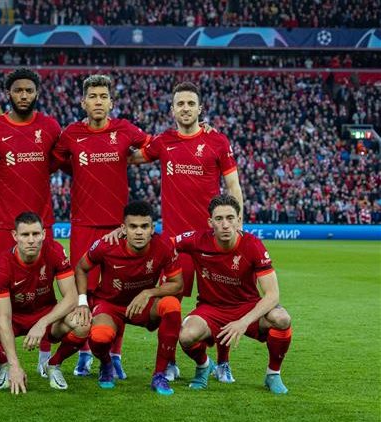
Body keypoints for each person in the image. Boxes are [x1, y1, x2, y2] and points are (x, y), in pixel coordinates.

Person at [130, 81, 244, 383]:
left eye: (191, 103)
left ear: (200, 108)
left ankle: (223, 363)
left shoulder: (217, 141)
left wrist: (238, 225)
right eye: (180, 103)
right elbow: (132, 156)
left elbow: (233, 185)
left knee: (219, 303)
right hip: (174, 243)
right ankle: (168, 362)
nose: (185, 108)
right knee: (170, 305)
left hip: (212, 240)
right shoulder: (164, 141)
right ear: (172, 109)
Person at [51, 74, 150, 378]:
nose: (98, 101)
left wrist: (129, 159)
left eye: (103, 96)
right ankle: (84, 352)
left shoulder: (124, 130)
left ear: (111, 102)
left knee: (116, 293)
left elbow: (152, 145)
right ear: (84, 102)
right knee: (86, 291)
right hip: (83, 223)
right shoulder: (71, 133)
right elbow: (57, 160)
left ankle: (114, 355)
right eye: (92, 96)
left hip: (118, 226)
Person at [0, 67, 62, 376]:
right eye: (18, 90)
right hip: (3, 225)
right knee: (1, 290)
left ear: (37, 93)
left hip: (42, 224)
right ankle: (1, 360)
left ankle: (44, 356)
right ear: (8, 94)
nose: (23, 95)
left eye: (28, 90)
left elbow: (60, 161)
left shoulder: (50, 127)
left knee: (46, 288)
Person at [174, 194, 292, 394]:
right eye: (219, 219)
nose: (225, 225)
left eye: (230, 218)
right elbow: (163, 245)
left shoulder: (253, 245)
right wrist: (122, 235)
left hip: (246, 306)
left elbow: (272, 295)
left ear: (239, 220)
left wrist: (243, 322)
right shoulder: (197, 240)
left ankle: (273, 374)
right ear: (210, 222)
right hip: (211, 309)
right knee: (186, 336)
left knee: (282, 318)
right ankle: (204, 366)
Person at [0, 212, 89, 393]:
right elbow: (3, 317)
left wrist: (42, 323)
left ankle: (53, 365)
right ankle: (3, 365)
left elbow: (71, 298)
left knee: (83, 323)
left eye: (36, 234)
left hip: (45, 313)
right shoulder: (1, 265)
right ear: (15, 236)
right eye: (25, 235)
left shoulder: (54, 251)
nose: (31, 240)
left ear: (44, 234)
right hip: (13, 317)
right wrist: (14, 365)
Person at [75, 200, 183, 393]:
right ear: (123, 228)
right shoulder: (107, 245)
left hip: (143, 305)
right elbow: (81, 268)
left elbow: (177, 284)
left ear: (152, 228)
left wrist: (148, 292)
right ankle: (106, 364)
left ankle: (159, 375)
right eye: (133, 227)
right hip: (110, 305)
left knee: (172, 305)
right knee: (100, 336)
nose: (139, 232)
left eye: (144, 226)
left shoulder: (164, 246)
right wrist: (82, 301)